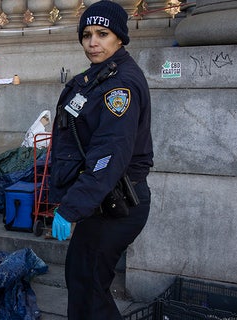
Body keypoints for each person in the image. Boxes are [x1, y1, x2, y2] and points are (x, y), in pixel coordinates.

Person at [48, 1, 153, 319]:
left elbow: (109, 154)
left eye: (103, 34)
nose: (93, 42)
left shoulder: (119, 85)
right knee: (84, 283)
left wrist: (71, 207)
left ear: (120, 38)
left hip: (117, 204)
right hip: (101, 200)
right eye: (87, 35)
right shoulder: (99, 76)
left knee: (89, 290)